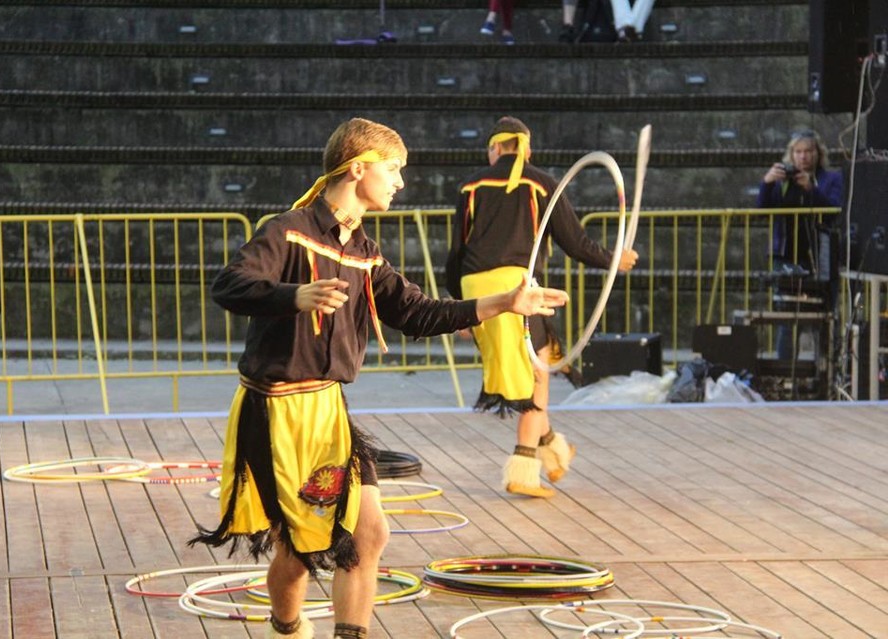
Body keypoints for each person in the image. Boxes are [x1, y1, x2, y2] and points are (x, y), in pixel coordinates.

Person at [189, 117, 569, 639]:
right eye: (392, 169)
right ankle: (287, 627)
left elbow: (418, 312)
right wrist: (293, 296)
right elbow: (230, 284)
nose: (400, 182)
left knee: (368, 535)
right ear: (357, 168)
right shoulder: (288, 231)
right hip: (274, 415)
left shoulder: (364, 253)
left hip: (329, 411)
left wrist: (506, 302)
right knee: (299, 553)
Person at [445, 116, 638, 499]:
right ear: (527, 148)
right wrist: (614, 259)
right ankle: (523, 468)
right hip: (517, 287)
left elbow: (457, 252)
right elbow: (575, 242)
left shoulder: (472, 185)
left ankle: (553, 448)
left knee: (532, 365)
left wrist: (460, 308)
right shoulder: (542, 182)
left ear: (494, 148)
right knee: (537, 373)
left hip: (476, 288)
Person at [757, 129, 843, 360]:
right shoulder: (782, 180)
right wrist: (767, 183)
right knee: (787, 318)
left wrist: (811, 189)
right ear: (791, 154)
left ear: (818, 153)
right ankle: (784, 367)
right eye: (798, 152)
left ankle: (824, 368)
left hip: (820, 255)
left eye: (808, 151)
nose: (803, 157)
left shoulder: (831, 179)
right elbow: (762, 210)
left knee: (821, 316)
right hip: (786, 255)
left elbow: (834, 211)